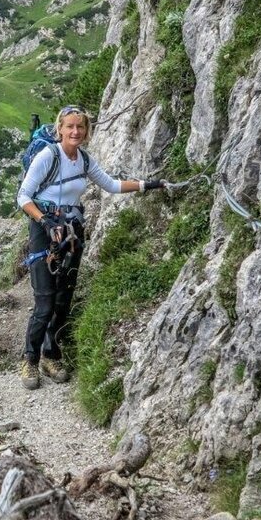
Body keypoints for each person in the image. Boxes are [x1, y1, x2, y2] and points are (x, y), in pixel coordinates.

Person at [16, 105, 164, 390]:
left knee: (63, 301)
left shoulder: (83, 160)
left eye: (80, 127)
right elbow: (23, 196)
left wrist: (150, 185)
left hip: (71, 233)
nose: (75, 132)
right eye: (69, 126)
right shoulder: (49, 157)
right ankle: (30, 359)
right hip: (44, 232)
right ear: (59, 129)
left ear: (86, 131)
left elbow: (111, 185)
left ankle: (51, 355)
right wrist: (45, 222)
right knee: (45, 302)